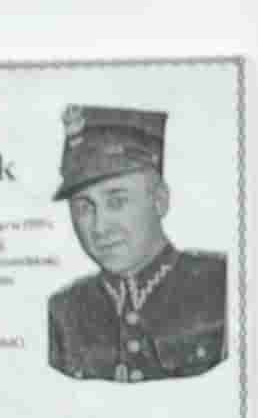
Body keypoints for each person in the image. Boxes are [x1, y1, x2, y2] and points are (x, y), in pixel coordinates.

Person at [40, 107, 229, 384]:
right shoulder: (63, 312)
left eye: (117, 201)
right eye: (84, 207)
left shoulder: (221, 285)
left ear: (160, 201)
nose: (100, 227)